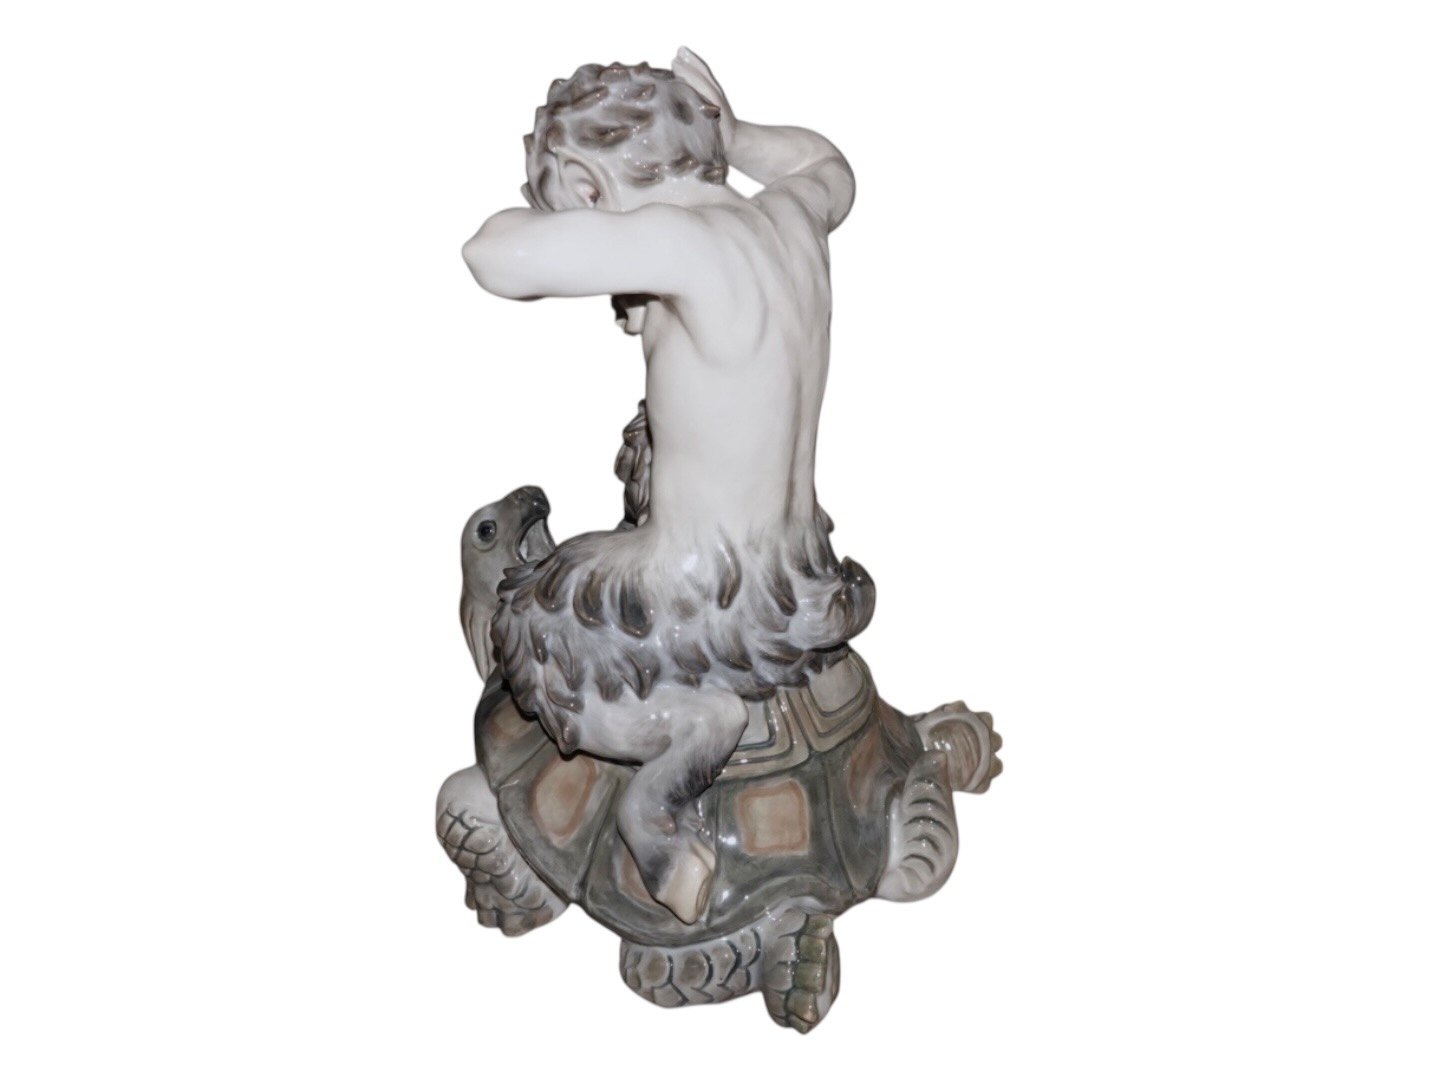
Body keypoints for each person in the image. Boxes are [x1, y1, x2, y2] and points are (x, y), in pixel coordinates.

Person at [462, 48, 873, 924]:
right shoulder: (791, 216)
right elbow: (830, 166)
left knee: (531, 618)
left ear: (589, 186)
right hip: (797, 584)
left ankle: (671, 775)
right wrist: (737, 133)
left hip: (698, 594)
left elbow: (494, 254)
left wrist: (583, 219)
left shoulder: (684, 241)